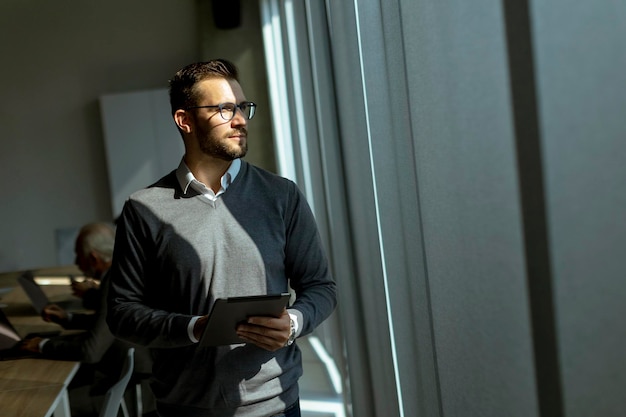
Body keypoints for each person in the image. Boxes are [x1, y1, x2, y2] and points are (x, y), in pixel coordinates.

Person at [106, 59, 337, 417]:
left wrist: (292, 323)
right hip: (184, 407)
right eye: (224, 109)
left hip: (276, 405)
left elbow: (321, 287)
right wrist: (195, 328)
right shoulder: (143, 209)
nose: (241, 119)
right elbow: (122, 314)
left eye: (242, 107)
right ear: (185, 120)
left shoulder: (281, 195)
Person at [21, 222, 153, 415]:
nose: (76, 262)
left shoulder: (115, 282)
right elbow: (109, 323)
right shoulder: (126, 270)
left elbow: (91, 351)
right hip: (135, 375)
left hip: (133, 388)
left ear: (93, 257)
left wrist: (43, 345)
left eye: (78, 255)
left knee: (38, 403)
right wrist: (68, 319)